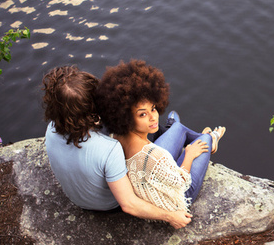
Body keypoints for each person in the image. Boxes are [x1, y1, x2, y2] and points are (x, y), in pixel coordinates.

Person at [42, 65, 193, 229]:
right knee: (175, 132)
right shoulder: (109, 149)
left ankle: (168, 127)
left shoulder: (51, 129)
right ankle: (179, 130)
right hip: (108, 206)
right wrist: (170, 216)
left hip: (78, 200)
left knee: (143, 126)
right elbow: (129, 204)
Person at [95, 60, 225, 212]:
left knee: (178, 127)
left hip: (150, 172)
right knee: (204, 140)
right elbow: (181, 183)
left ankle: (173, 129)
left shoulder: (115, 136)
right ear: (126, 117)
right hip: (176, 197)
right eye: (142, 114)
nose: (153, 117)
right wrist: (189, 155)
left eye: (153, 108)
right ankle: (211, 138)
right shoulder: (154, 156)